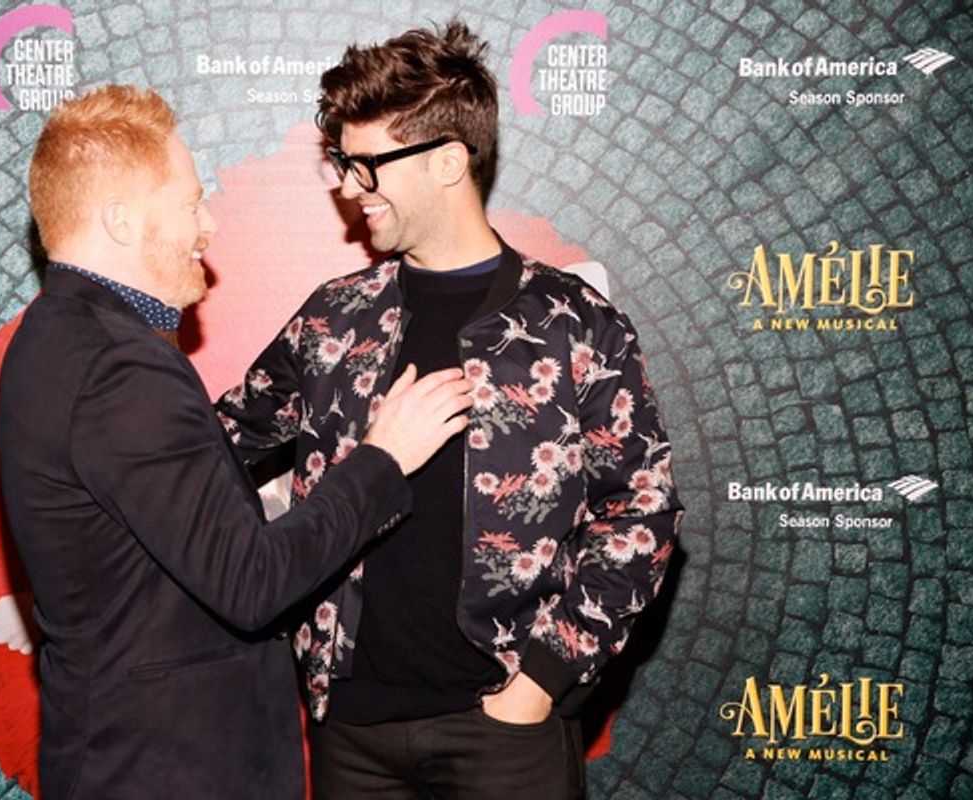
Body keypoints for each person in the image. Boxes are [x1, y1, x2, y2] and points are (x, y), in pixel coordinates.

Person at [216, 22, 683, 799]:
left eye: (365, 166)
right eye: (342, 165)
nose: (345, 186)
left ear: (446, 162)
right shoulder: (335, 319)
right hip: (352, 731)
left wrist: (540, 682)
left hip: (503, 731)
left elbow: (642, 508)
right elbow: (214, 449)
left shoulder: (570, 322)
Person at [0, 84, 473, 800]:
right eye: (189, 202)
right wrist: (384, 457)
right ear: (122, 222)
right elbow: (251, 584)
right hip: (172, 769)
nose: (208, 224)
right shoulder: (116, 365)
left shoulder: (55, 336)